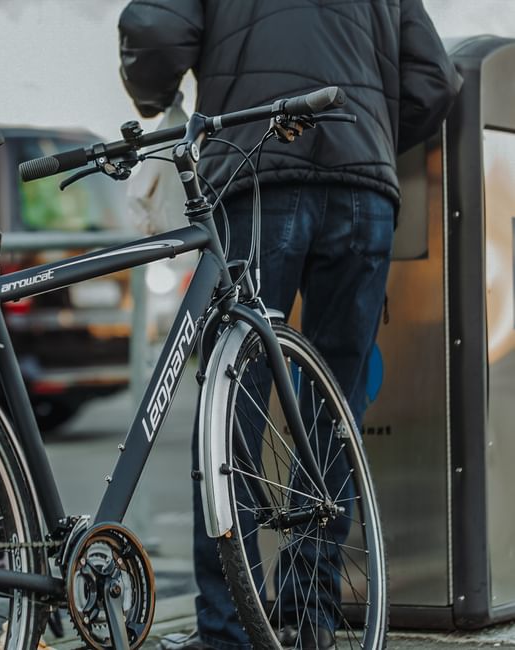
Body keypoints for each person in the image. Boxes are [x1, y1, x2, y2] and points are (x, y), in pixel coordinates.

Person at [117, 1, 461, 649]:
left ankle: (231, 630)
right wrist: (367, 132)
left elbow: (154, 27)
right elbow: (434, 79)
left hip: (255, 175)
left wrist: (155, 98)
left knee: (232, 410)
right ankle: (311, 619)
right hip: (362, 190)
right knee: (335, 409)